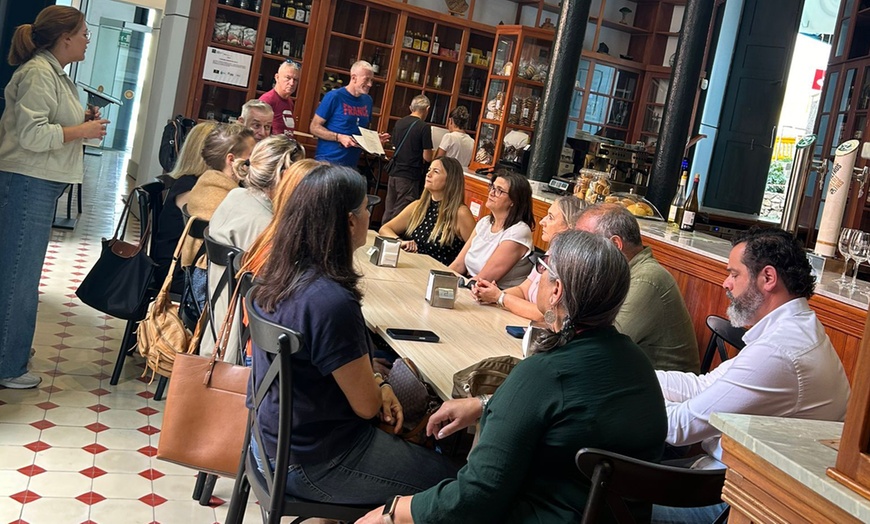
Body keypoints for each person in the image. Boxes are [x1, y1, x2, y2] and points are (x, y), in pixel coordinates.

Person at [358, 230, 668, 524]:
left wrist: (394, 510)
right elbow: (573, 411)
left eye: (544, 268)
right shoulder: (638, 364)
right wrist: (485, 404)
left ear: (557, 291)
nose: (541, 277)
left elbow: (474, 498)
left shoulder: (543, 373)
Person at [249, 165, 457, 504]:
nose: (369, 216)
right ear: (348, 221)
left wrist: (381, 383)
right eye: (366, 209)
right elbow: (365, 407)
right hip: (313, 462)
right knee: (454, 484)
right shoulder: (330, 301)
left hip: (268, 442)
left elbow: (348, 374)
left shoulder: (276, 275)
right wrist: (380, 389)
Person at [651, 227, 851, 523]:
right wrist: (634, 377)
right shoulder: (793, 327)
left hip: (739, 503)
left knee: (588, 497)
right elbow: (702, 386)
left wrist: (623, 395)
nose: (725, 283)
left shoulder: (780, 351)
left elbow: (680, 429)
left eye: (734, 274)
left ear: (768, 278)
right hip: (725, 480)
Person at [0, 6, 109, 389]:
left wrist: (81, 119)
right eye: (83, 33)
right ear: (64, 38)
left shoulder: (55, 75)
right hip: (26, 180)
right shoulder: (36, 74)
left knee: (20, 272)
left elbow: (54, 121)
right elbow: (33, 136)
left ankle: (9, 350)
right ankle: (7, 365)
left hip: (38, 181)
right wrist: (81, 129)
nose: (86, 39)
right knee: (18, 275)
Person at [202, 135, 304, 361]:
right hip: (247, 341)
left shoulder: (235, 196)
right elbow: (282, 294)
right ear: (284, 176)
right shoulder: (268, 227)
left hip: (217, 325)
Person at [576, 203, 699, 372]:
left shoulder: (647, 280)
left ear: (615, 245)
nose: (576, 250)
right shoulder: (615, 273)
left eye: (584, 243)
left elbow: (602, 347)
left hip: (661, 392)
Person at [472, 195, 585, 320]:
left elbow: (545, 315)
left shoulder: (570, 264)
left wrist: (500, 298)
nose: (542, 222)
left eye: (551, 218)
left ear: (569, 227)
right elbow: (523, 290)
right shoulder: (551, 252)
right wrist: (489, 294)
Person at [151, 121, 218, 292]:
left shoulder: (190, 182)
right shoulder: (189, 187)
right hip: (175, 271)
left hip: (182, 264)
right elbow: (209, 228)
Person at [182, 123, 256, 267]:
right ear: (231, 160)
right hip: (209, 279)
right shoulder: (226, 199)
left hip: (194, 273)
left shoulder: (205, 183)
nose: (255, 163)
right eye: (251, 158)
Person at [378, 157, 475, 266]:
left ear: (450, 180)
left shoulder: (460, 213)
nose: (428, 174)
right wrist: (400, 242)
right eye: (429, 170)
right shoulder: (418, 206)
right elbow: (385, 229)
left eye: (436, 171)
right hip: (411, 270)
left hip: (440, 276)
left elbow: (476, 253)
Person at [449, 171, 535, 288]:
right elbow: (458, 265)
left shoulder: (519, 231)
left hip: (495, 296)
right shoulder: (485, 222)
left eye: (499, 190)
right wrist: (438, 279)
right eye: (492, 187)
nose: (492, 193)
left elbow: (484, 279)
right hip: (471, 285)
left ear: (514, 201)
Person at [310, 60, 389, 167]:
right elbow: (314, 127)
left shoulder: (368, 101)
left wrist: (374, 140)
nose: (370, 84)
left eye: (371, 80)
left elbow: (361, 131)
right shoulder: (334, 97)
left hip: (351, 164)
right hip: (327, 162)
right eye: (366, 80)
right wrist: (338, 137)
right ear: (354, 78)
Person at [382, 95, 433, 222]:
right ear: (427, 109)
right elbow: (427, 157)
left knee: (389, 209)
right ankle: (393, 238)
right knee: (402, 211)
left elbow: (394, 144)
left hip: (394, 172)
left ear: (411, 108)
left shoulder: (399, 123)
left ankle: (382, 235)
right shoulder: (424, 127)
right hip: (409, 175)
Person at [259, 60, 299, 137]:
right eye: (288, 78)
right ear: (277, 77)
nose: (292, 83)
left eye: (295, 80)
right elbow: (259, 131)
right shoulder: (267, 100)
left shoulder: (289, 101)